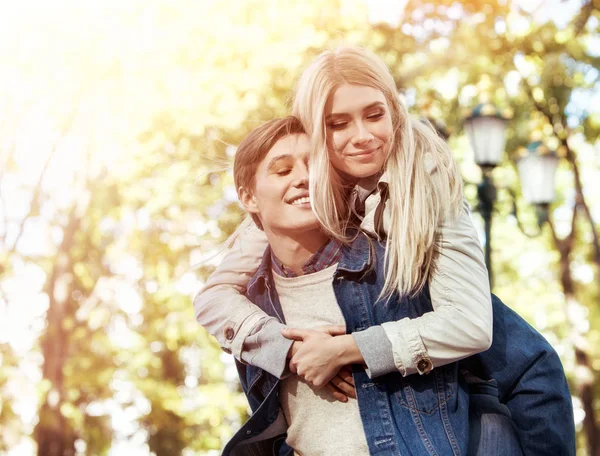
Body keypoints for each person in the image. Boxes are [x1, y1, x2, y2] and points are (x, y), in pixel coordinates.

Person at [196, 45, 574, 453]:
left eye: (374, 114)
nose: (362, 136)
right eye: (338, 123)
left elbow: (474, 327)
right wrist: (289, 350)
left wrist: (345, 349)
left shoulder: (427, 192)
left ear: (393, 110)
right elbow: (217, 295)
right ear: (316, 132)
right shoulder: (305, 194)